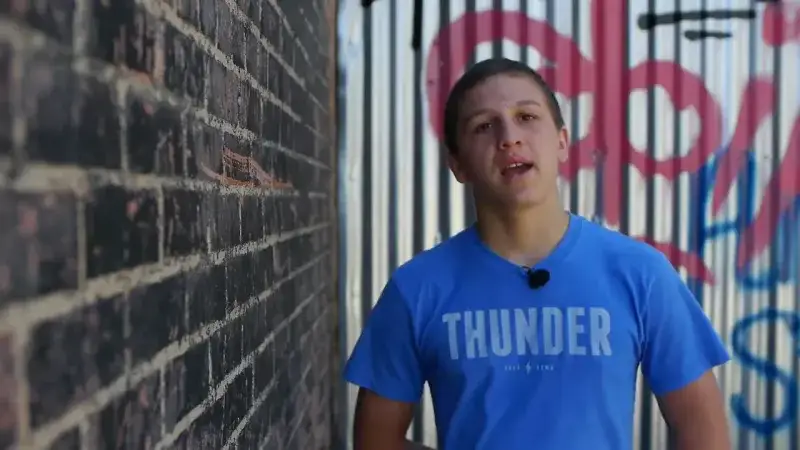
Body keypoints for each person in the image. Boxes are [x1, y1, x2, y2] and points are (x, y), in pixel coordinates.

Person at [343, 57, 732, 450]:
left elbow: (704, 433)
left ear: (562, 141)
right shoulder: (417, 288)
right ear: (457, 163)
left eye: (526, 117)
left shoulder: (640, 274)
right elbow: (375, 441)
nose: (509, 137)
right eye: (483, 125)